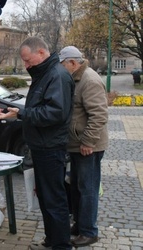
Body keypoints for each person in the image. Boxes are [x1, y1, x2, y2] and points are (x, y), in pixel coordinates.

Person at [0, 36, 74, 250]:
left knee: (54, 200)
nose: (26, 65)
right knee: (46, 198)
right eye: (24, 61)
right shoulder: (44, 74)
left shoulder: (56, 75)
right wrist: (21, 114)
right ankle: (52, 241)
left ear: (41, 52)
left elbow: (54, 113)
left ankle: (60, 245)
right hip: (41, 146)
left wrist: (22, 113)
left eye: (28, 60)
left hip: (51, 147)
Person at [59, 46, 108, 247]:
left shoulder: (89, 80)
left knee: (87, 189)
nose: (62, 70)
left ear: (72, 62)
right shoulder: (76, 78)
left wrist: (88, 141)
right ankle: (80, 225)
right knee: (77, 188)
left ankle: (89, 231)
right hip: (78, 144)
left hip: (89, 146)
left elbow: (99, 115)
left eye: (63, 66)